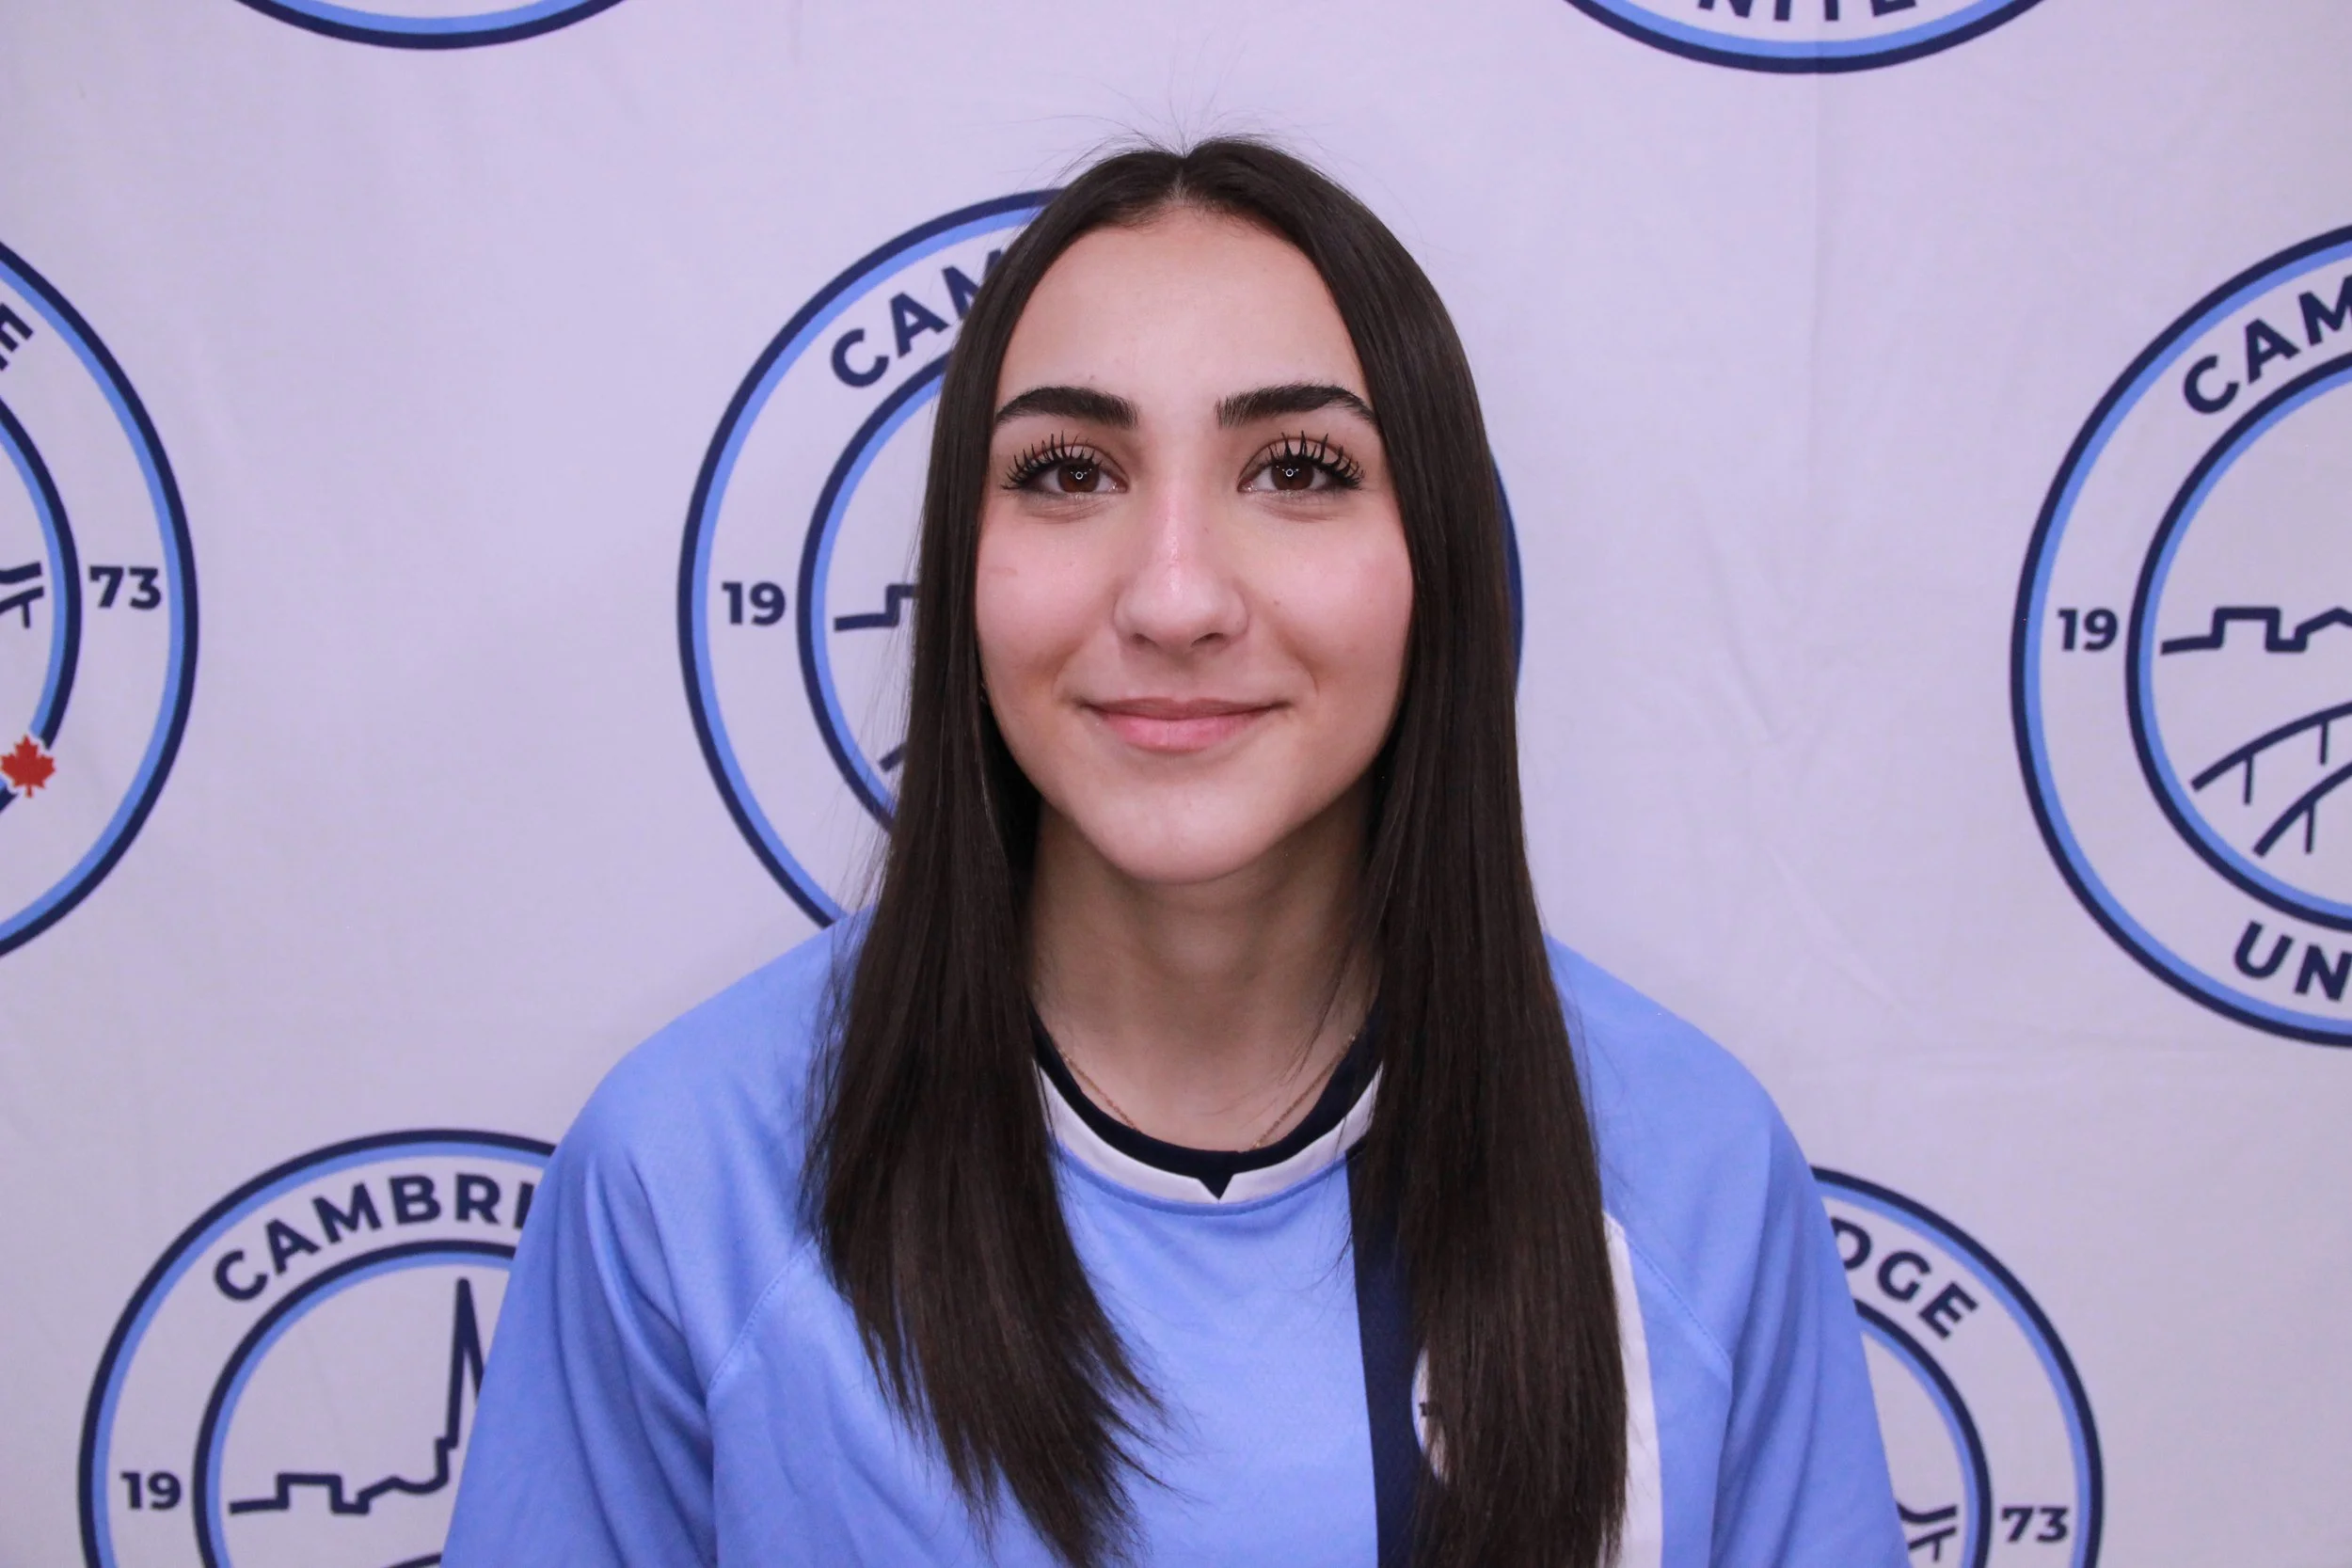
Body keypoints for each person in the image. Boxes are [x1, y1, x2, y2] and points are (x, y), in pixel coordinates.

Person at [443, 139, 1904, 1568]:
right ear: (962, 560)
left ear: (1437, 560)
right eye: (1070, 471)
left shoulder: (1695, 1173)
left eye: (1300, 468)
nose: (1177, 595)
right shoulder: (686, 1177)